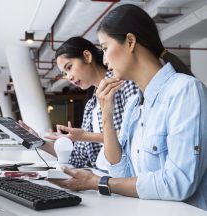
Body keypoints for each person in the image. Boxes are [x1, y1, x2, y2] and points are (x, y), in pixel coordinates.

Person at [48, 4, 207, 211]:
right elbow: (122, 175)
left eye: (105, 48)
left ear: (130, 42)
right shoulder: (134, 104)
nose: (104, 59)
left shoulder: (185, 90)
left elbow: (179, 183)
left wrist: (97, 182)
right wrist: (106, 112)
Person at [20, 36, 138, 169]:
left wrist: (86, 136)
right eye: (65, 73)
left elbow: (137, 134)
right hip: (102, 175)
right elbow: (78, 158)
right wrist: (39, 142)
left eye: (69, 67)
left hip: (125, 177)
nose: (68, 77)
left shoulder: (124, 82)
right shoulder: (90, 106)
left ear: (87, 56)